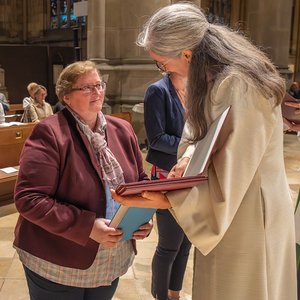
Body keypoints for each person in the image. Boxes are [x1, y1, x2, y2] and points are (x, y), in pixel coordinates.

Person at [111, 3, 297, 300]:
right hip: (241, 205)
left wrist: (170, 197)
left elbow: (235, 166)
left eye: (162, 63)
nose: (163, 70)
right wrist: (186, 158)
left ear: (187, 54)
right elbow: (204, 130)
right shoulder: (219, 77)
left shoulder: (238, 83)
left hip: (248, 211)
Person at [13, 60, 153, 300]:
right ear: (66, 97)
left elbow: (139, 182)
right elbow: (29, 199)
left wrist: (141, 220)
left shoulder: (122, 129)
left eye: (99, 85)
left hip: (110, 256)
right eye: (87, 88)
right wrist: (87, 226)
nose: (97, 92)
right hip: (59, 258)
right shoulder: (50, 132)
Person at [144, 71, 191, 300]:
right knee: (169, 246)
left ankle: (175, 296)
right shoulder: (158, 91)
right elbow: (155, 139)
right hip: (166, 177)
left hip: (192, 178)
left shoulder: (193, 89)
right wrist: (192, 148)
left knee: (185, 246)